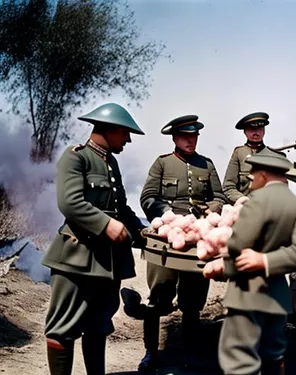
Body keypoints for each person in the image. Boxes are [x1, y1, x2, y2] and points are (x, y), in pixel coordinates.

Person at [41, 103, 148, 375]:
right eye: (125, 132)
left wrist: (141, 230)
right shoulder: (76, 157)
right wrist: (106, 225)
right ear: (110, 129)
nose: (128, 139)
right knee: (62, 327)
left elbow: (121, 208)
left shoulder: (110, 162)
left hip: (106, 261)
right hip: (77, 257)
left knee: (98, 324)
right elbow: (70, 203)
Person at [123, 114, 227, 372]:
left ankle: (190, 351)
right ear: (175, 138)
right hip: (166, 240)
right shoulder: (162, 164)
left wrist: (207, 212)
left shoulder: (207, 165)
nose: (190, 140)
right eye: (185, 136)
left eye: (194, 136)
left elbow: (220, 197)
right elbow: (148, 197)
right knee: (158, 297)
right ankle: (150, 352)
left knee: (193, 301)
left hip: (196, 240)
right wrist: (167, 216)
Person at [205, 148, 296, 375]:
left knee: (240, 361)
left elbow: (238, 247)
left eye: (253, 175)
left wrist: (221, 266)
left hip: (248, 294)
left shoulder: (258, 202)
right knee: (274, 357)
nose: (250, 180)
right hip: (278, 295)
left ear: (264, 176)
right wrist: (268, 261)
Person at [222, 111, 271, 204]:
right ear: (245, 132)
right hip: (244, 208)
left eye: (259, 128)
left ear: (264, 130)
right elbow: (228, 186)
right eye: (252, 129)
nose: (256, 132)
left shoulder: (273, 155)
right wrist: (243, 201)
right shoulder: (239, 153)